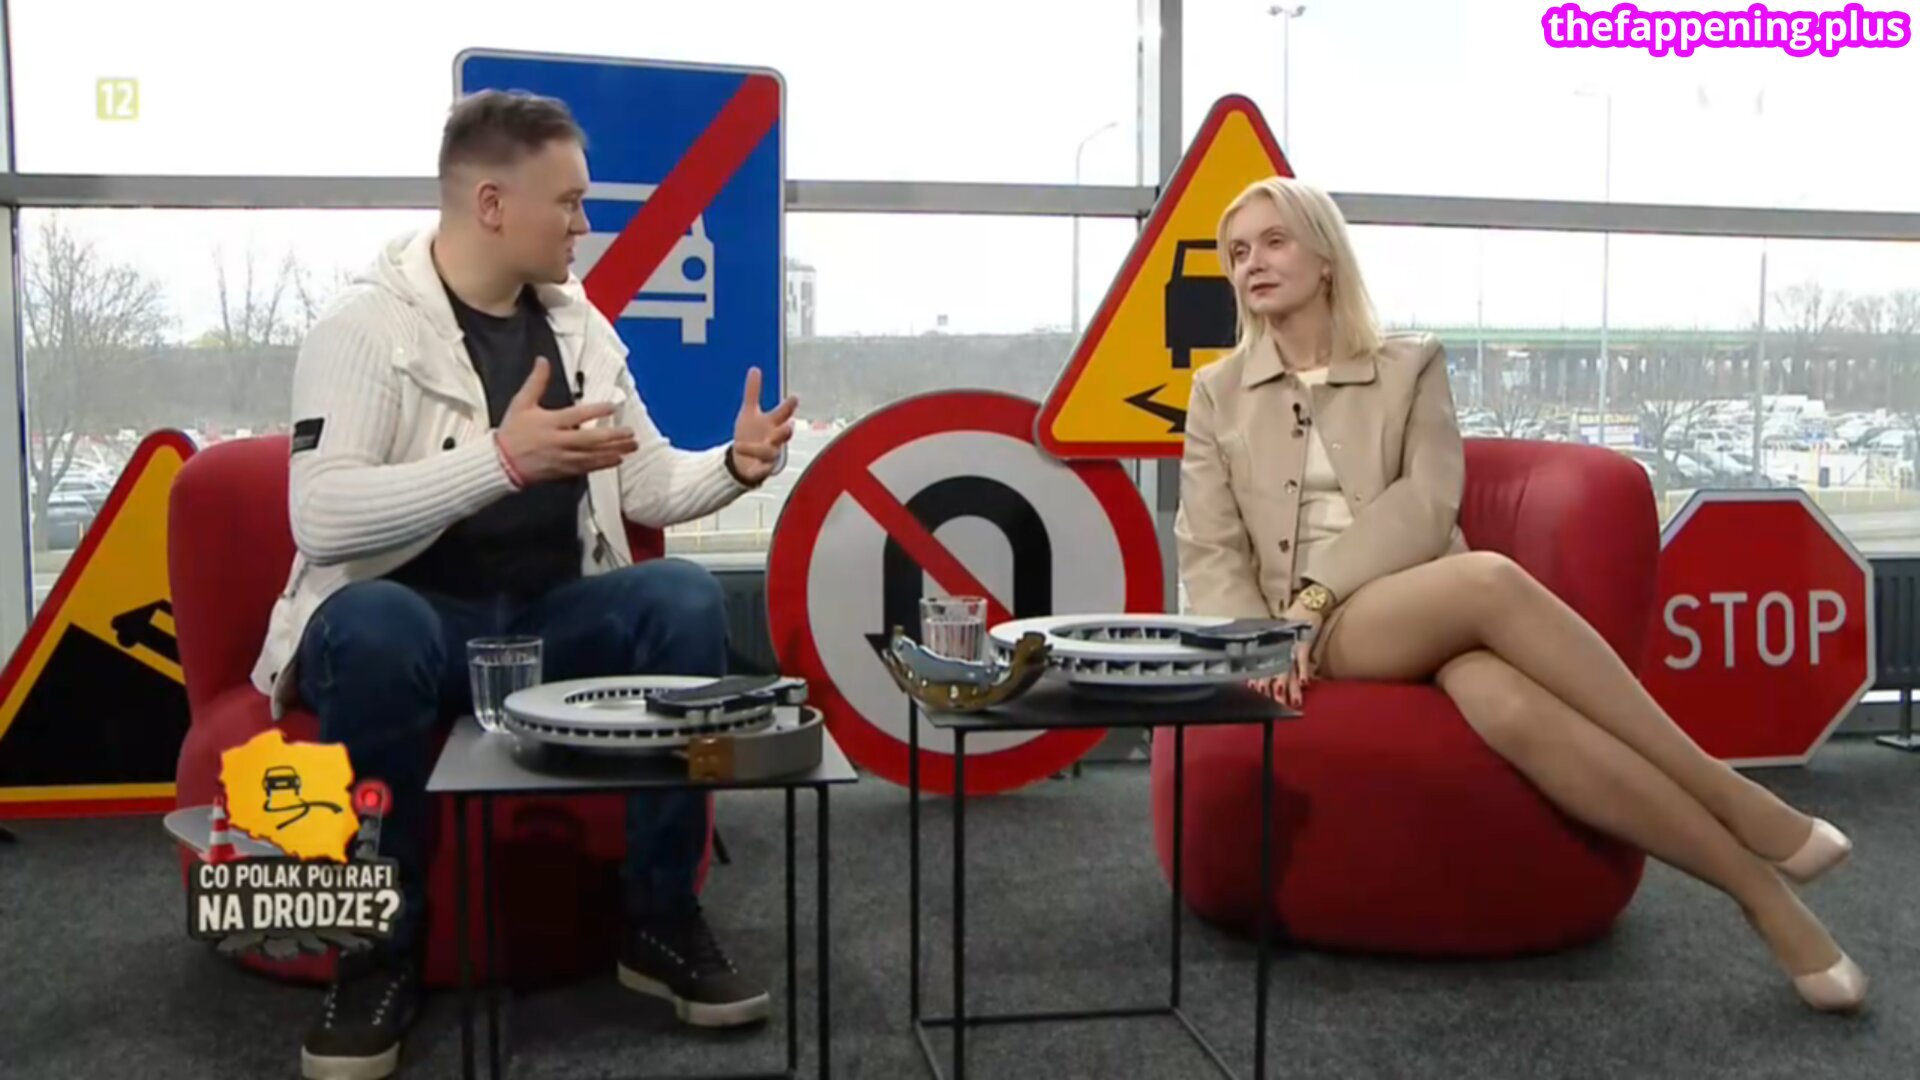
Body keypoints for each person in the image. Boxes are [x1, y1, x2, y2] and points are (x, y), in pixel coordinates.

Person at [1173, 176, 1867, 1014]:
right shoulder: (1217, 393)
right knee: (1490, 578)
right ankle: (1733, 795)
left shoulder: (1409, 365)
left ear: (1325, 258)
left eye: (1274, 241)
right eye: (1237, 252)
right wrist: (1268, 636)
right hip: (1314, 630)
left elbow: (1428, 500)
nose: (1252, 262)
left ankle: (1766, 901)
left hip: (1410, 596)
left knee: (1508, 703)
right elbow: (1209, 545)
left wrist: (1322, 595)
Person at [252, 90, 799, 1080]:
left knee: (681, 596)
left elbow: (643, 479)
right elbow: (321, 517)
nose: (586, 225)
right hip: (410, 626)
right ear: (493, 204)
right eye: (571, 202)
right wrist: (501, 463)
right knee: (373, 625)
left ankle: (659, 918)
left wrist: (735, 465)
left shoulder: (579, 326)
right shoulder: (364, 329)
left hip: (546, 623)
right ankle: (377, 956)